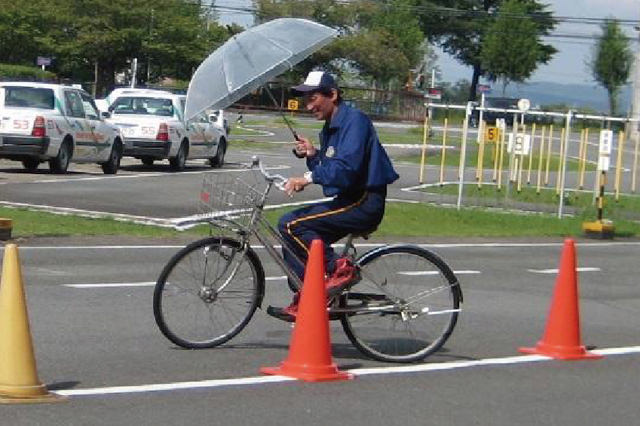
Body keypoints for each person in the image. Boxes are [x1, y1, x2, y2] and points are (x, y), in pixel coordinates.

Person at [266, 71, 399, 322]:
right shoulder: (332, 127)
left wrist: (306, 178)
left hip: (364, 201)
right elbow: (331, 169)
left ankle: (340, 269)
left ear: (333, 95)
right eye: (306, 100)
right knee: (292, 232)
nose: (309, 106)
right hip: (348, 200)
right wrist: (313, 154)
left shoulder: (355, 121)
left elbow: (346, 168)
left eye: (313, 98)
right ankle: (311, 296)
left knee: (291, 225)